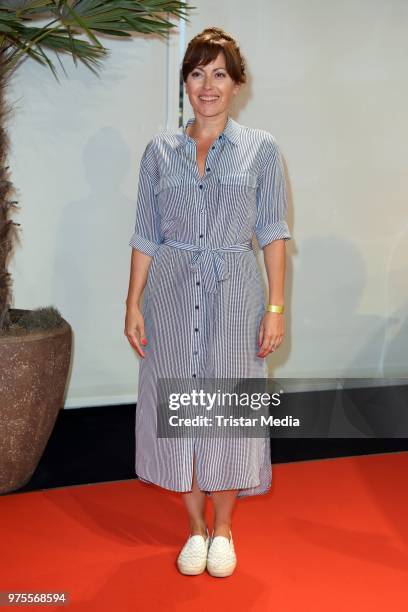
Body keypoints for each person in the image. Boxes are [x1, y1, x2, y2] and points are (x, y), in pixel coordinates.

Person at [125, 26, 292, 578]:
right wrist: (133, 303)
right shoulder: (160, 152)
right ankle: (194, 530)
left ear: (237, 84)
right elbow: (146, 234)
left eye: (219, 73)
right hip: (172, 296)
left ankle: (223, 529)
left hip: (235, 296)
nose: (207, 84)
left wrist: (275, 308)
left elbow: (272, 233)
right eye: (196, 73)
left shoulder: (261, 150)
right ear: (185, 84)